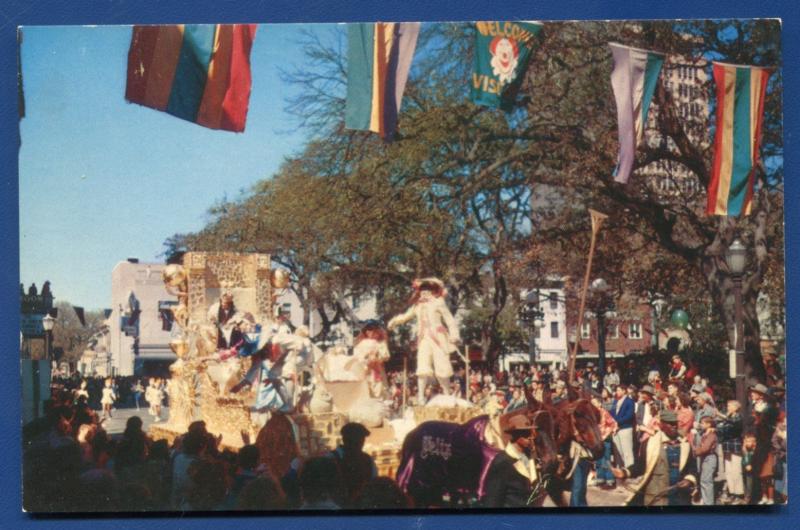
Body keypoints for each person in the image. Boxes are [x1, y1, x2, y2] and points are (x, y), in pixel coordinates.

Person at [387, 277, 461, 406]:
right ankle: (420, 397)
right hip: (424, 339)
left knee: (442, 367)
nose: (424, 292)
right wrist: (394, 321)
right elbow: (405, 316)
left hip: (438, 338)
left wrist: (454, 335)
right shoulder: (418, 306)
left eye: (428, 290)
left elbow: (449, 320)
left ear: (433, 291)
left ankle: (447, 394)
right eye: (422, 290)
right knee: (422, 367)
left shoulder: (439, 302)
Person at [612, 410, 698, 506]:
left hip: (678, 498)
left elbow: (692, 467)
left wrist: (689, 480)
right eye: (670, 423)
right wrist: (624, 472)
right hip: (654, 496)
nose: (674, 426)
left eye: (675, 423)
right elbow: (641, 465)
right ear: (661, 425)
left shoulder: (685, 445)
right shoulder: (649, 443)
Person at [482, 415, 539, 508]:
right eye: (526, 433)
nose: (530, 437)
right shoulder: (502, 462)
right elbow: (493, 499)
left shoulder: (531, 457)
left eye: (530, 433)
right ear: (516, 435)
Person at [328, 423, 378, 507]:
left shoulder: (368, 460)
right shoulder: (331, 459)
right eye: (356, 440)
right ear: (345, 440)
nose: (360, 443)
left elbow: (373, 483)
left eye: (361, 440)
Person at [351, 320, 391, 399]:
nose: (371, 332)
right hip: (365, 372)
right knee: (366, 393)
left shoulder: (380, 343)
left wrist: (376, 358)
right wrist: (366, 360)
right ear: (365, 331)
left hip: (377, 372)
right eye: (369, 329)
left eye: (374, 329)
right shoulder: (360, 345)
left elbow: (385, 356)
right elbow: (357, 358)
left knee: (379, 392)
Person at [716, 400, 744, 503]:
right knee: (728, 470)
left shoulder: (738, 417)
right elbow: (720, 430)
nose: (728, 408)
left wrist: (722, 416)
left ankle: (739, 493)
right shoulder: (728, 417)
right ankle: (732, 492)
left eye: (729, 406)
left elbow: (735, 424)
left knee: (736, 470)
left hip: (735, 444)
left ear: (736, 408)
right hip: (726, 444)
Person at [591, 396, 618, 489]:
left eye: (594, 403)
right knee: (598, 460)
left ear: (599, 403)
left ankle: (610, 480)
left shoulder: (604, 412)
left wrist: (606, 434)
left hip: (605, 439)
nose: (593, 405)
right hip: (596, 441)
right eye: (591, 404)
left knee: (606, 460)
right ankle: (600, 478)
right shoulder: (592, 415)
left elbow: (613, 423)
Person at [691, 416, 718, 505]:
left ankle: (709, 502)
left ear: (709, 424)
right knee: (703, 480)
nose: (701, 425)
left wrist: (695, 452)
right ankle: (705, 500)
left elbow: (705, 448)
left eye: (703, 423)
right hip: (704, 458)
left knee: (707, 481)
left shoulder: (711, 435)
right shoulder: (705, 434)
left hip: (709, 458)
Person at [611, 385, 635, 471]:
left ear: (624, 391)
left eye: (618, 390)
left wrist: (618, 422)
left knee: (627, 451)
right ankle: (620, 470)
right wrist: (613, 423)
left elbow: (629, 415)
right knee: (618, 452)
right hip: (615, 429)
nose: (617, 392)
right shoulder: (615, 402)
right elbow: (611, 413)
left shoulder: (629, 401)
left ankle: (629, 470)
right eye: (616, 390)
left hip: (625, 428)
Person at [742, 432, 758, 504]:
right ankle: (746, 496)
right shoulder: (745, 450)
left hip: (752, 469)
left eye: (749, 441)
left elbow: (751, 460)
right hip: (745, 468)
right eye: (746, 441)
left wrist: (748, 464)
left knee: (750, 484)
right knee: (745, 483)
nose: (747, 443)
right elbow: (744, 459)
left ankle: (748, 498)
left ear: (754, 442)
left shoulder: (754, 451)